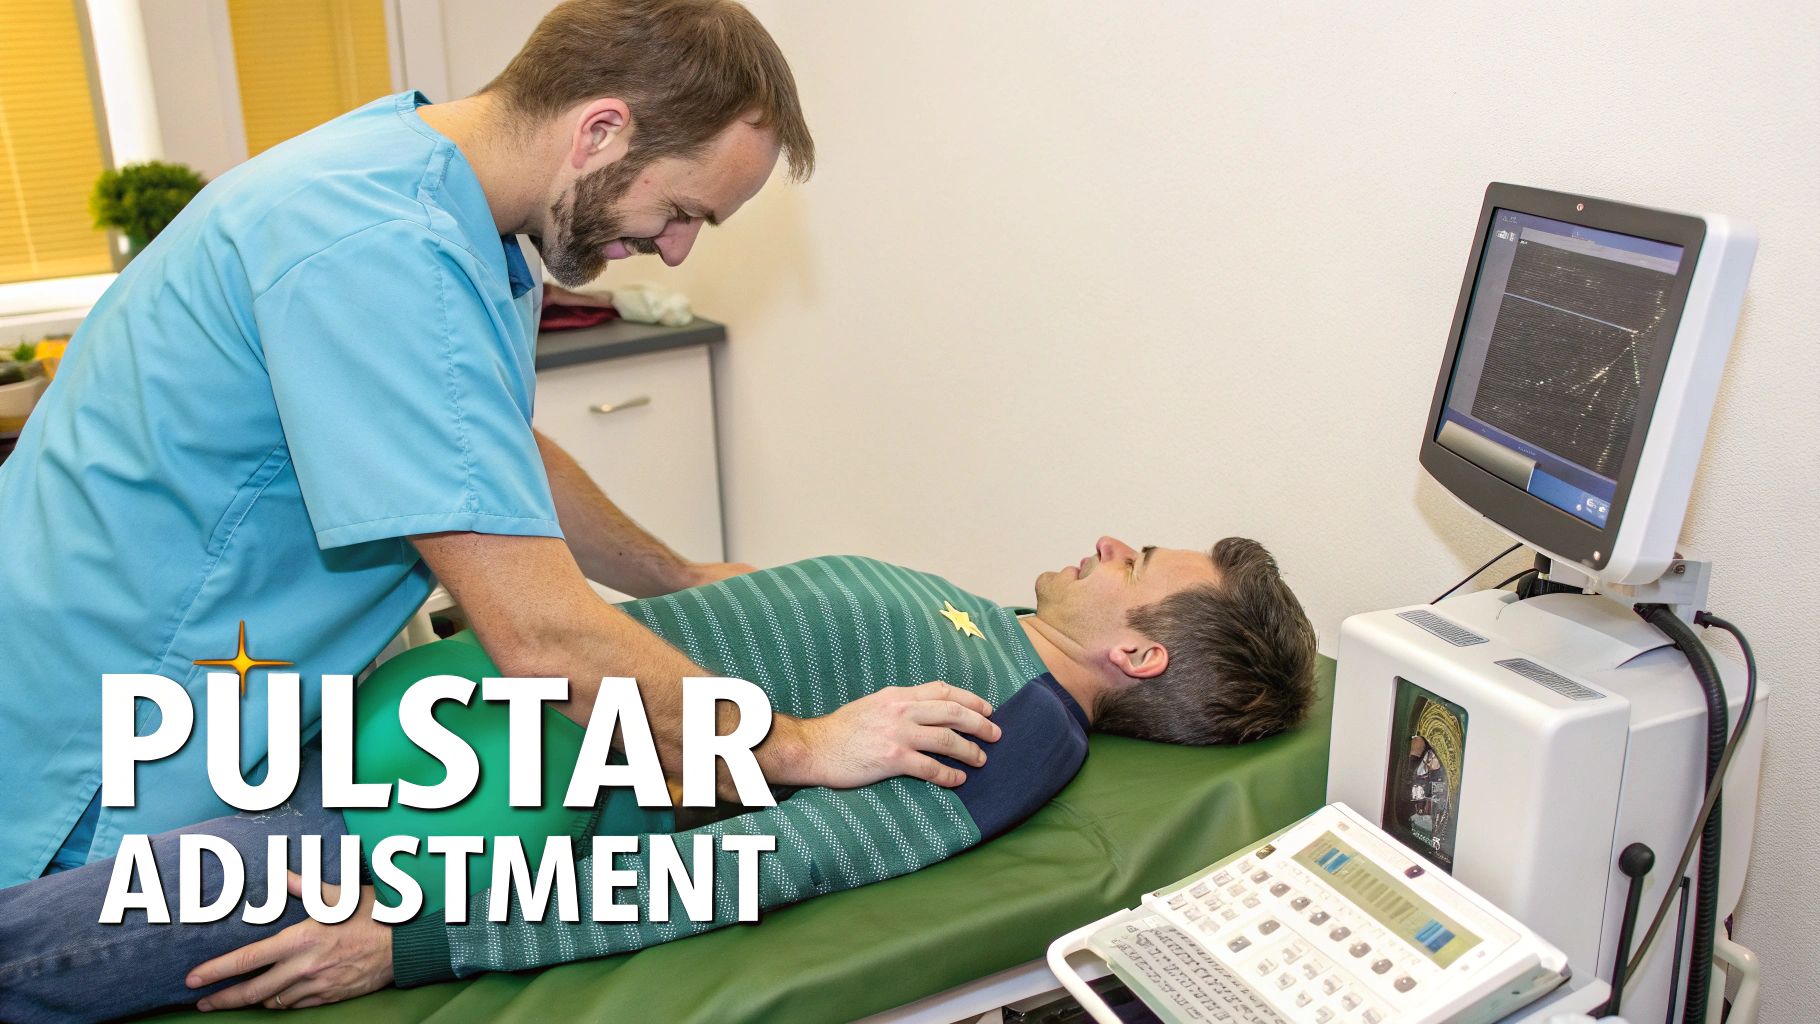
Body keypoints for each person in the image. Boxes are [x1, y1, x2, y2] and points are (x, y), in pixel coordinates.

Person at [0, 0, 994, 889]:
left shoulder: (449, 205)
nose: (679, 248)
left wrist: (677, 576)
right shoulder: (375, 245)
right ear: (599, 129)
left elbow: (496, 456)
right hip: (101, 748)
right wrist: (805, 745)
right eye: (682, 210)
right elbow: (543, 637)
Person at [0, 535, 1319, 1021]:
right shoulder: (985, 626)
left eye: (1137, 559)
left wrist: (414, 944)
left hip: (441, 818)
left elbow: (757, 864)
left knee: (35, 950)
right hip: (419, 716)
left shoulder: (1019, 734)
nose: (1106, 541)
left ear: (1137, 649)